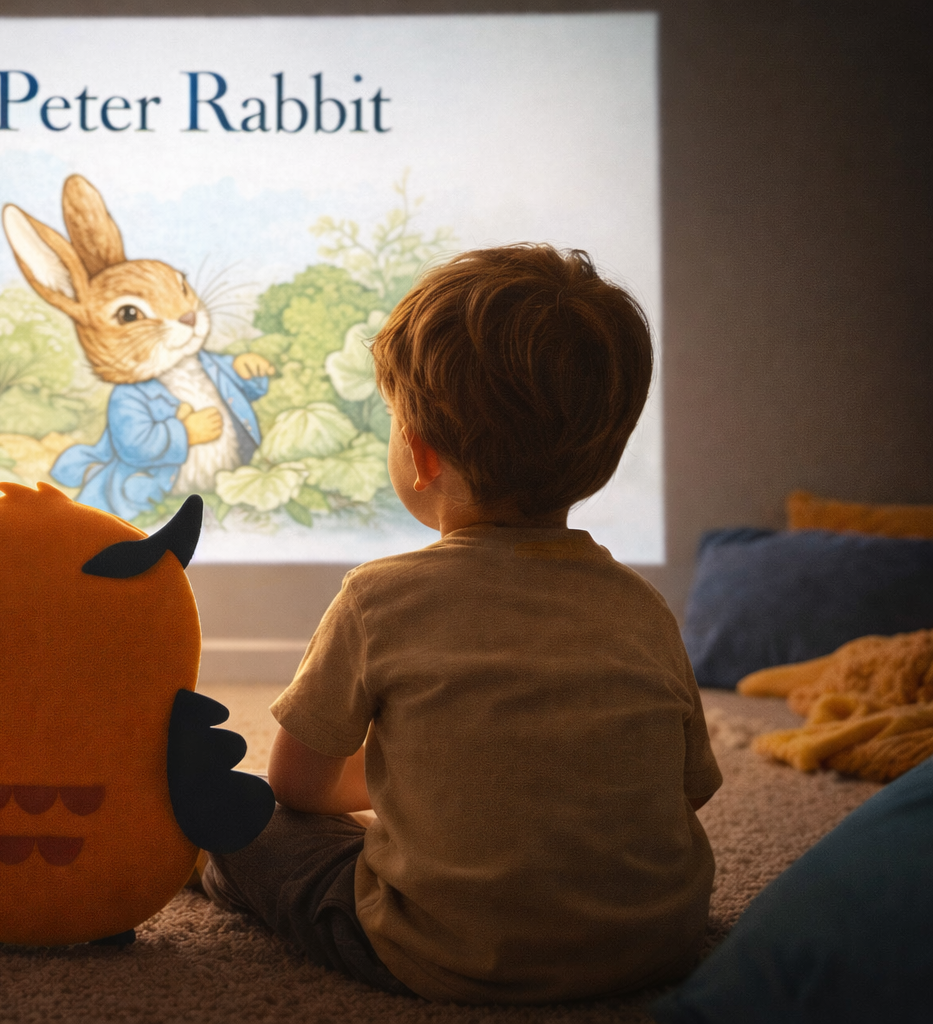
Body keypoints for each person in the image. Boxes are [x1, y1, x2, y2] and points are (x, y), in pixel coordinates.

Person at [201, 244, 723, 1004]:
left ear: (419, 451)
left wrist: (408, 792)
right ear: (604, 457)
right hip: (655, 945)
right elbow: (688, 789)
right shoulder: (639, 607)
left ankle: (206, 865)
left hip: (444, 953)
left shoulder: (378, 599)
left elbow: (299, 784)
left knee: (247, 821)